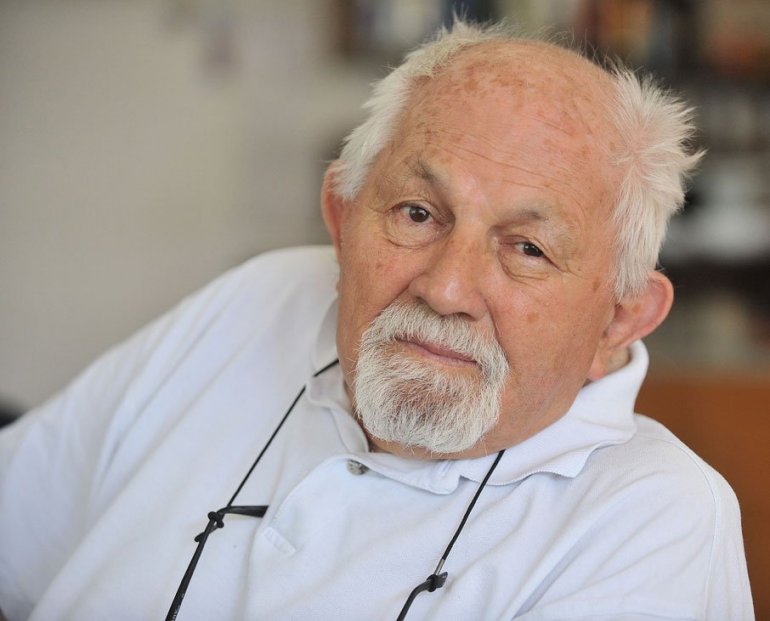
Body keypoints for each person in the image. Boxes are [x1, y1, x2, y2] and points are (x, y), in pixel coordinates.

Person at [0, 19, 754, 621]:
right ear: (340, 219)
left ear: (620, 319)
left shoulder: (652, 521)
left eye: (528, 248)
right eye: (418, 213)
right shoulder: (259, 302)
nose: (447, 288)